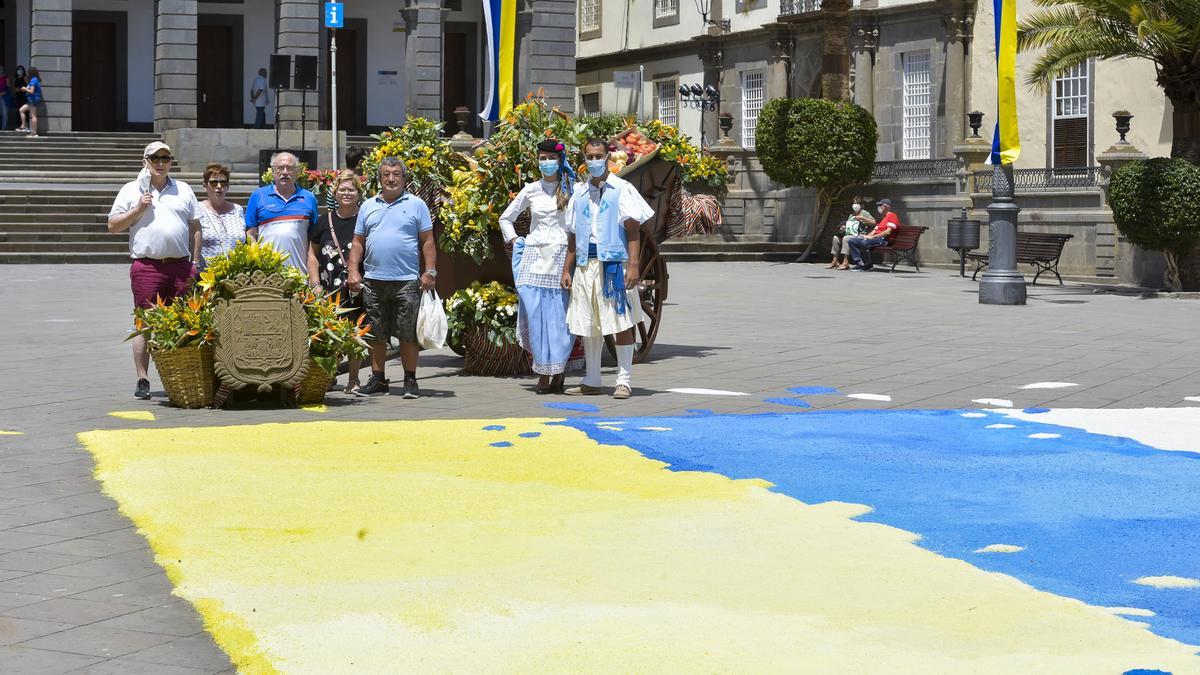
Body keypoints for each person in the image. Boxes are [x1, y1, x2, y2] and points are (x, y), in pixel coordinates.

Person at [107, 142, 201, 400]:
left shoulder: (183, 189)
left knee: (186, 322)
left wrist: (195, 262)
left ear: (171, 161)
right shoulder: (130, 190)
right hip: (147, 266)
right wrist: (138, 209)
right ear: (145, 161)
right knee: (144, 323)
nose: (160, 162)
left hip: (181, 266)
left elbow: (195, 226)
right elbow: (113, 226)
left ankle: (182, 376)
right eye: (155, 158)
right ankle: (143, 378)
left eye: (166, 158)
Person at [563, 138, 654, 399]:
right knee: (588, 321)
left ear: (608, 158)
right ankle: (592, 378)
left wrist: (634, 266)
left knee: (620, 321)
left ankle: (623, 379)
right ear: (584, 158)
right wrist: (566, 269)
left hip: (614, 263)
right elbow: (572, 235)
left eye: (598, 156)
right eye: (589, 156)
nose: (593, 161)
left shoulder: (621, 189)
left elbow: (633, 230)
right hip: (585, 265)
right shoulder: (578, 194)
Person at [346, 157, 437, 399]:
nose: (391, 178)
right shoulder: (367, 206)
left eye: (396, 174)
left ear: (404, 178)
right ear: (379, 178)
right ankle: (378, 379)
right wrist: (353, 270)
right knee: (375, 332)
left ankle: (410, 380)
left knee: (407, 332)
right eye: (386, 174)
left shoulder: (417, 205)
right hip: (374, 280)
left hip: (406, 280)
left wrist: (430, 271)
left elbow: (427, 241)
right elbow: (357, 242)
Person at [499, 137, 576, 394]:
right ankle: (542, 372)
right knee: (535, 315)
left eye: (551, 158)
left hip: (561, 257)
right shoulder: (531, 190)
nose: (546, 163)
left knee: (559, 317)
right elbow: (505, 218)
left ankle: (558, 369)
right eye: (542, 158)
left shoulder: (572, 189)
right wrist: (515, 240)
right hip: (534, 256)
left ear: (560, 160)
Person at [310, 169, 366, 393]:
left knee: (355, 332)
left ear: (358, 193)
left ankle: (354, 379)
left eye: (351, 189)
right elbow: (312, 254)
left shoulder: (365, 219)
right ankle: (329, 376)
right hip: (328, 288)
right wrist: (314, 283)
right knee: (329, 332)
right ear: (334, 192)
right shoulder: (324, 221)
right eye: (342, 189)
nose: (346, 193)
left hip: (355, 287)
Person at [245, 151, 320, 275]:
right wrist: (259, 259)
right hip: (267, 275)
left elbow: (314, 238)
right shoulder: (258, 195)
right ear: (273, 171)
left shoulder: (309, 198)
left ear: (297, 172)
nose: (285, 172)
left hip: (300, 273)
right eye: (280, 168)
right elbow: (250, 234)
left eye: (290, 168)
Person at [193, 163, 246, 270]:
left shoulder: (238, 210)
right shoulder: (197, 210)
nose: (219, 186)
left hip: (235, 276)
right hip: (205, 275)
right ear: (205, 187)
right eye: (213, 183)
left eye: (223, 183)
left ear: (228, 187)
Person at [847, 198, 900, 272]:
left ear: (887, 207)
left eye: (880, 205)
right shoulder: (882, 218)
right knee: (852, 241)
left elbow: (888, 232)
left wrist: (872, 237)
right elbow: (875, 230)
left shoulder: (892, 216)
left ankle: (867, 265)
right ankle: (859, 263)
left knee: (864, 243)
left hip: (884, 240)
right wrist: (866, 236)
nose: (879, 207)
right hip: (876, 238)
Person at [830, 199, 875, 270]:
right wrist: (844, 227)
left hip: (859, 235)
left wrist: (863, 218)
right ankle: (835, 260)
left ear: (861, 205)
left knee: (846, 238)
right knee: (835, 238)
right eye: (854, 203)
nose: (855, 205)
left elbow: (873, 222)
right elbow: (849, 225)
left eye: (857, 203)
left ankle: (846, 261)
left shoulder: (865, 213)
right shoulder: (851, 215)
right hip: (850, 233)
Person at [18, 67, 42, 137]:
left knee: (33, 115)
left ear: (31, 73)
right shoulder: (34, 80)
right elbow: (30, 89)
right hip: (31, 100)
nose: (27, 74)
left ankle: (34, 133)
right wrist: (25, 88)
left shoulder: (33, 80)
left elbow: (32, 91)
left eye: (28, 72)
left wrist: (25, 89)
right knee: (21, 110)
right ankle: (24, 126)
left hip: (33, 100)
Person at [0, 66, 11, 131]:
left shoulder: (6, 78)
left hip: (5, 97)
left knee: (4, 113)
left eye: (1, 69)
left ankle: (3, 128)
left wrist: (2, 93)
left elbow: (8, 88)